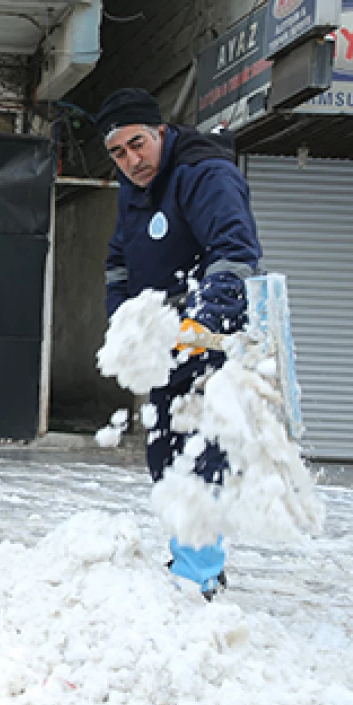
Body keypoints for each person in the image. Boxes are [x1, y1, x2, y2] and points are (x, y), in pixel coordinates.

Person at [95, 87, 263, 598]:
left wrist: (204, 318)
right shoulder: (134, 188)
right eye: (118, 153)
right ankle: (187, 553)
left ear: (161, 132)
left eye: (138, 144)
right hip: (165, 340)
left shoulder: (205, 175)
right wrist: (125, 323)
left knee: (203, 452)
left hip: (211, 339)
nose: (131, 160)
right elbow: (119, 258)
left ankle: (200, 572)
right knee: (165, 451)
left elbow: (235, 251)